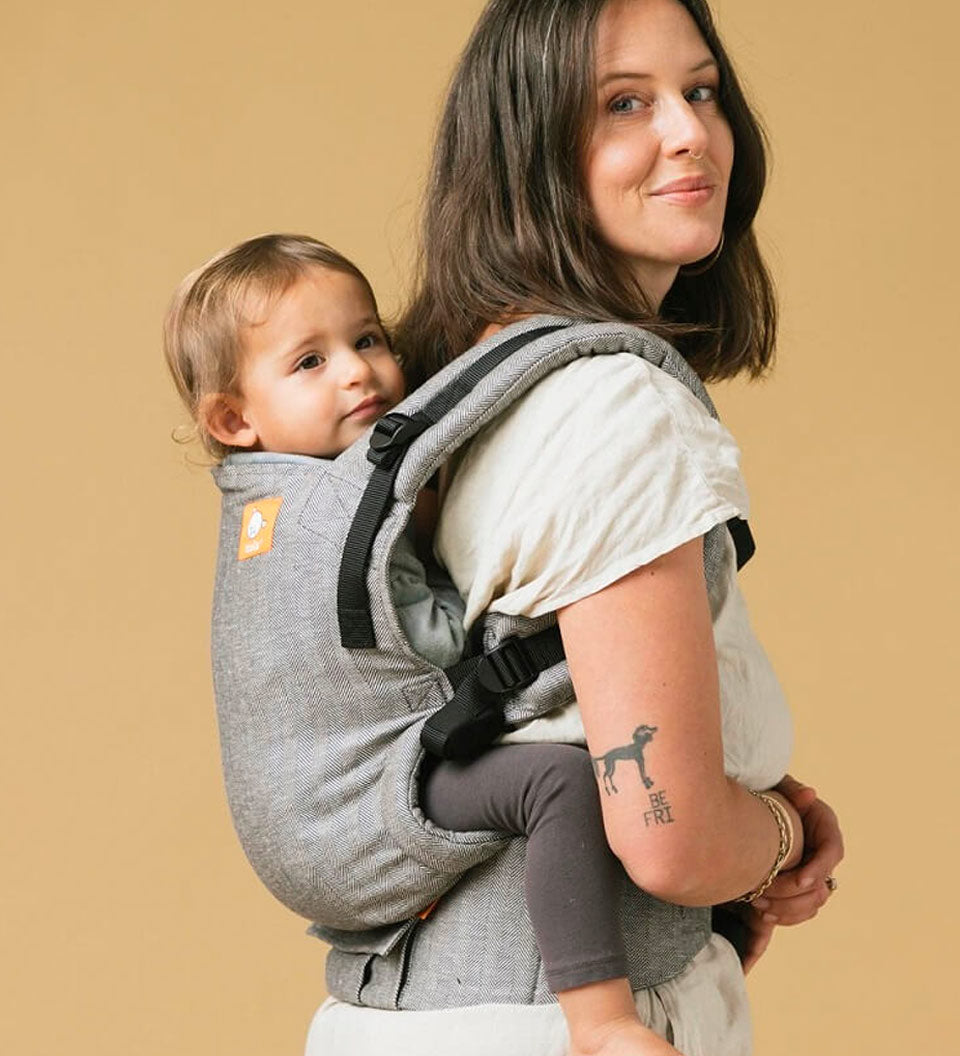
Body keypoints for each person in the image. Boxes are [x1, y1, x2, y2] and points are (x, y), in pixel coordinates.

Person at [306, 1, 844, 1054]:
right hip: (564, 1024)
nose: (690, 132)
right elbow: (673, 839)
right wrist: (777, 835)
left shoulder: (457, 387)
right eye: (624, 104)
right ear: (531, 153)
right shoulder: (614, 408)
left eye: (701, 90)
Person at [164, 231, 781, 1056]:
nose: (356, 370)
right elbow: (443, 653)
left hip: (330, 856)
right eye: (309, 362)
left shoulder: (275, 514)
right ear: (233, 418)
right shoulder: (324, 522)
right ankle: (600, 1022)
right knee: (557, 785)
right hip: (367, 802)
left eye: (367, 339)